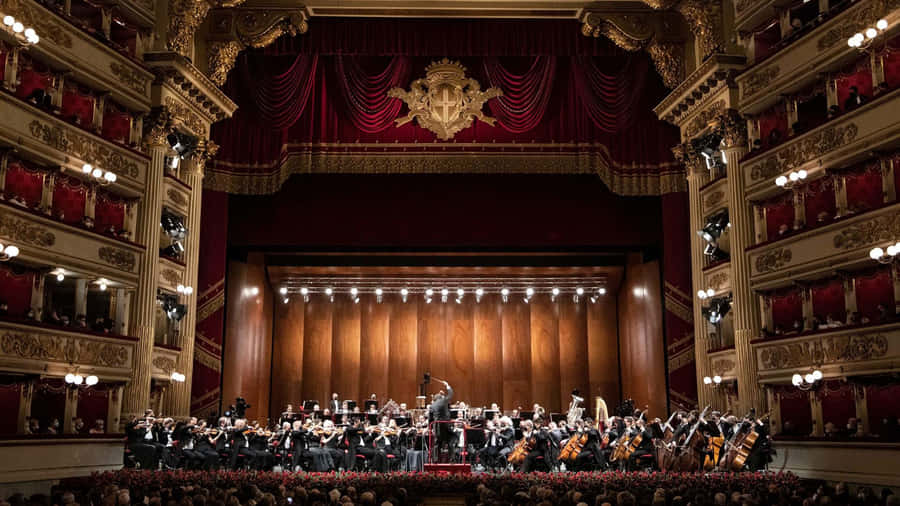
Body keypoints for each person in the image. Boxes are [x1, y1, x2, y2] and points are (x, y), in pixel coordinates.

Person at [428, 379, 454, 460]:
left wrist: (431, 428)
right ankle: (451, 459)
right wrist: (447, 385)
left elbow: (430, 418)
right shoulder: (444, 400)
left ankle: (436, 460)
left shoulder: (432, 406)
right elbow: (450, 394)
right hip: (446, 425)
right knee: (450, 441)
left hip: (437, 426)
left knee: (437, 443)